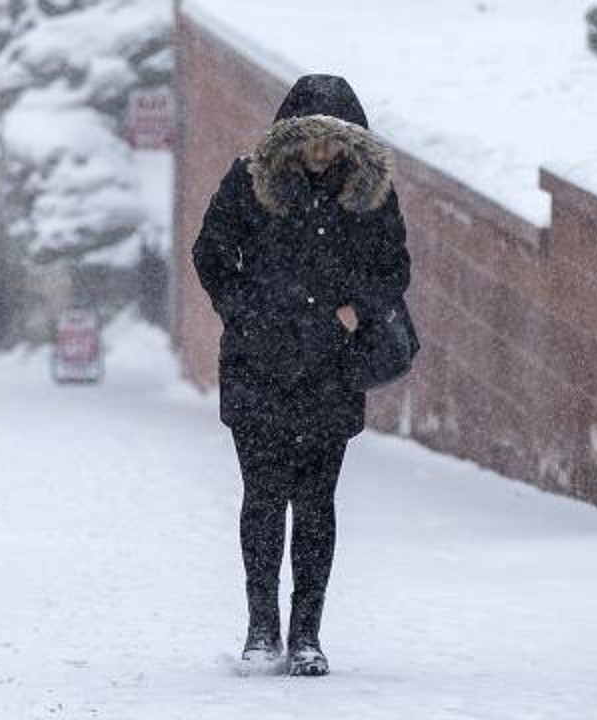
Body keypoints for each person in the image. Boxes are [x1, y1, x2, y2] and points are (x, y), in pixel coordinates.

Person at [192, 74, 411, 677]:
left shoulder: (368, 193)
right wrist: (247, 311)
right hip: (257, 367)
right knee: (263, 498)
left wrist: (355, 309)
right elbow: (210, 252)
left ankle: (307, 634)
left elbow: (393, 268)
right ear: (290, 137)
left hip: (330, 371)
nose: (322, 151)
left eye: (333, 140)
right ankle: (261, 627)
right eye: (311, 138)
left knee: (316, 503)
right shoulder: (250, 182)